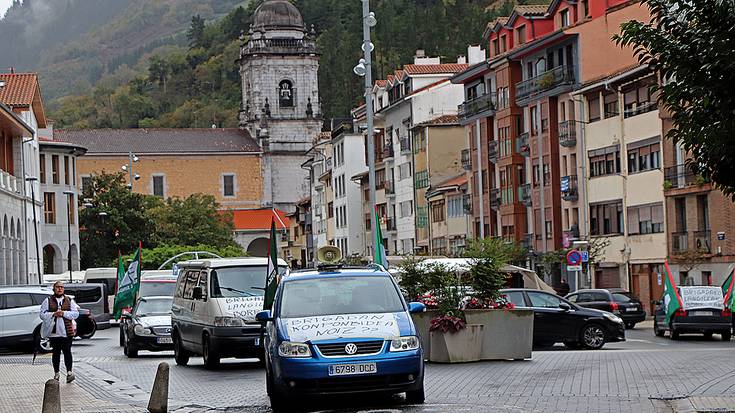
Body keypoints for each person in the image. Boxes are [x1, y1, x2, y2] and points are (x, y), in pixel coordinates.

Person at [39, 281, 79, 383]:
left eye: (61, 287)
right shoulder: (47, 301)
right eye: (57, 287)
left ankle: (69, 372)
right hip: (54, 333)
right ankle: (56, 373)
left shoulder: (69, 300)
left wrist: (64, 313)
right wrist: (53, 314)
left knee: (67, 352)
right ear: (54, 289)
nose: (60, 289)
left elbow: (75, 314)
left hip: (67, 332)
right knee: (56, 354)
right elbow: (42, 315)